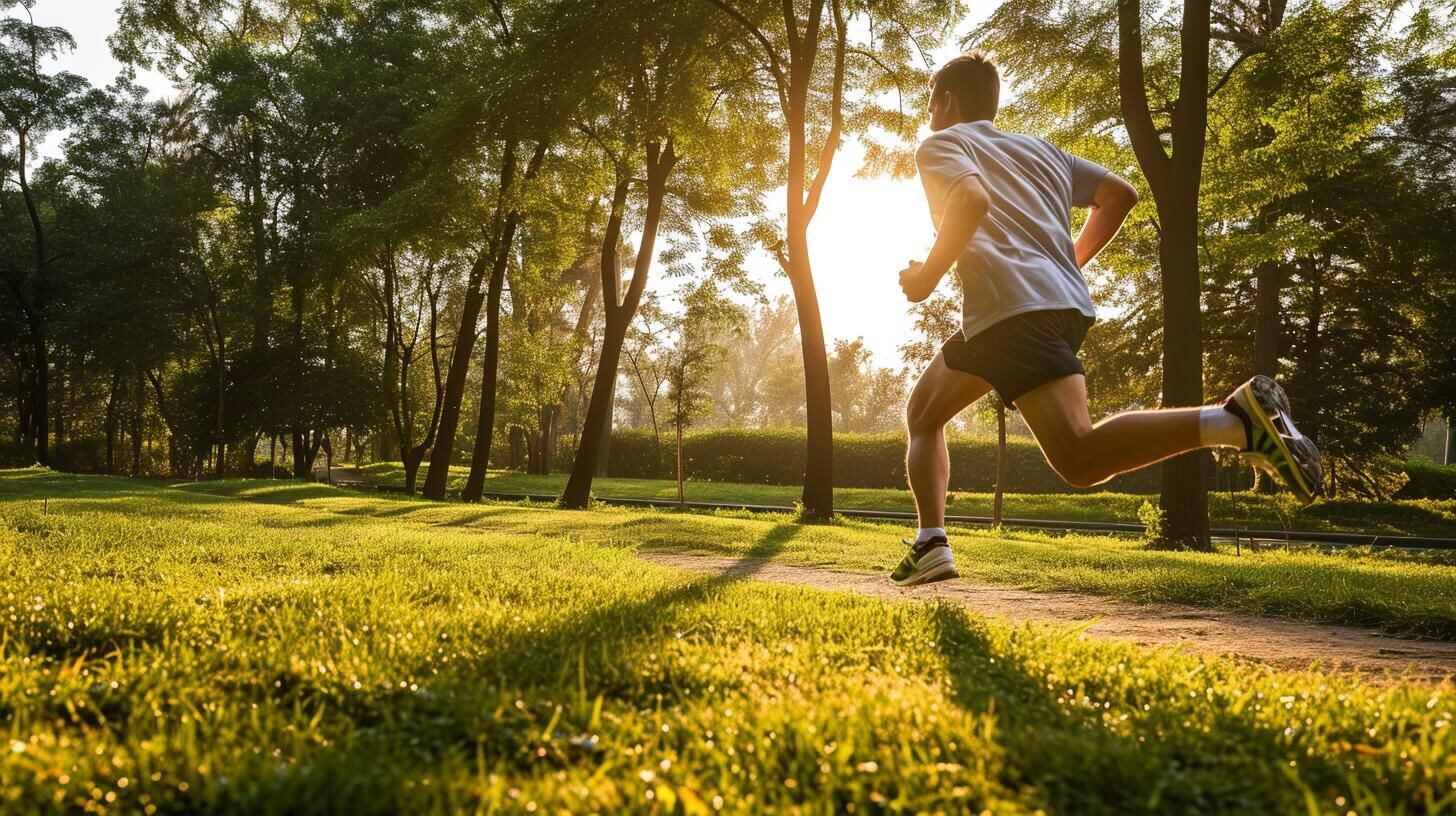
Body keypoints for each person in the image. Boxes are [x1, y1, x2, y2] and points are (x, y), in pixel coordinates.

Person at [890, 51, 1322, 587]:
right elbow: (1119, 195)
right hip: (1032, 311)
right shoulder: (1040, 150)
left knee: (1080, 458)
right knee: (924, 412)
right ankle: (931, 541)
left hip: (1013, 314)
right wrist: (1065, 261)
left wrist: (929, 275)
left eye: (933, 101)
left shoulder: (941, 143)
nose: (930, 113)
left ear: (946, 100)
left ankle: (1235, 423)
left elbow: (971, 200)